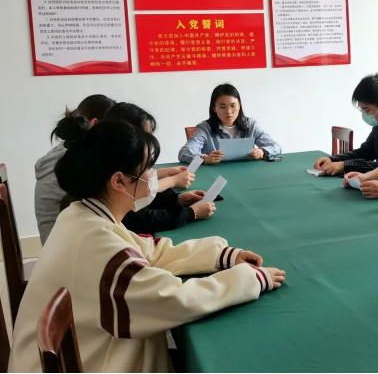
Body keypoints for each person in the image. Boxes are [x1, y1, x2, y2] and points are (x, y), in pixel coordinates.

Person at [9, 120, 286, 373]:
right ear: (119, 181)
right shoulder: (100, 245)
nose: (154, 176)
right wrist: (249, 279)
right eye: (147, 169)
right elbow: (174, 300)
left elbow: (149, 251)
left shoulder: (80, 214)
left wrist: (222, 256)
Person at [104, 102, 216, 232]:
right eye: (146, 137)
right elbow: (141, 219)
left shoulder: (118, 164)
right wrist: (191, 213)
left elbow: (140, 201)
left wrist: (177, 199)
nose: (152, 174)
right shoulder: (117, 175)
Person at [35, 94, 116, 245]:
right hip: (66, 249)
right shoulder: (76, 159)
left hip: (63, 244)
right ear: (95, 124)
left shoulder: (69, 149)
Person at [313, 73, 378, 176]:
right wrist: (333, 159)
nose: (365, 115)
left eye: (367, 110)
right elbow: (365, 151)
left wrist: (345, 165)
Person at [178, 84, 282, 164]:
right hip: (216, 176)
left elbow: (276, 147)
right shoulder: (205, 128)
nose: (229, 112)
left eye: (233, 106)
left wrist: (262, 151)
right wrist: (204, 158)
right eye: (223, 107)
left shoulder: (250, 125)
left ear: (239, 106)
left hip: (247, 173)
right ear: (214, 108)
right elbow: (184, 153)